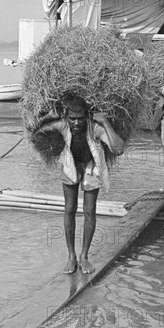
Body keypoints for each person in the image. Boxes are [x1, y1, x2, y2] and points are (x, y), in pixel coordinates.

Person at [33, 96, 124, 275]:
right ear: (67, 117)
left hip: (91, 167)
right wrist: (48, 117)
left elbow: (118, 149)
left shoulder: (94, 128)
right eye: (72, 118)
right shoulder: (62, 125)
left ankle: (84, 256)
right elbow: (35, 132)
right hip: (70, 165)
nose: (76, 123)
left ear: (86, 117)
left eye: (80, 118)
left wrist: (105, 122)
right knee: (69, 209)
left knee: (89, 210)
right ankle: (71, 256)